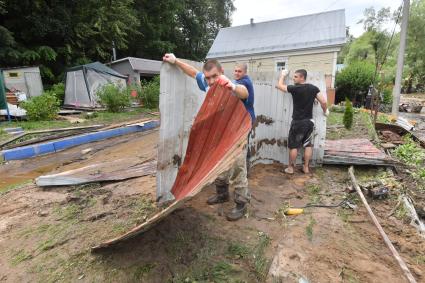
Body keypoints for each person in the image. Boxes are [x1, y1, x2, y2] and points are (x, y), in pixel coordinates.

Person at [163, 53, 255, 221]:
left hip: (237, 134)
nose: (212, 81)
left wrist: (232, 86)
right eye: (208, 77)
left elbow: (244, 93)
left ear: (221, 72)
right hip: (220, 133)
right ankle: (222, 194)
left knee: (238, 167)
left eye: (215, 76)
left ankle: (241, 204)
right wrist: (176, 61)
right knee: (218, 163)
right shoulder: (207, 83)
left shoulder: (236, 84)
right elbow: (193, 73)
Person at [276, 69, 328, 174]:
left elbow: (279, 86)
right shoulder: (313, 88)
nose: (293, 78)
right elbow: (323, 101)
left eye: (295, 77)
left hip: (298, 122)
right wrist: (325, 111)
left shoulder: (295, 88)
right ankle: (306, 168)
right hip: (309, 122)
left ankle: (290, 168)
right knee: (308, 145)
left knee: (294, 146)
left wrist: (282, 75)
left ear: (302, 77)